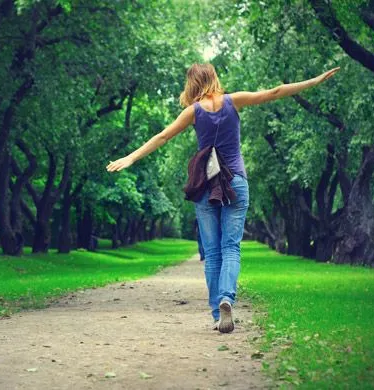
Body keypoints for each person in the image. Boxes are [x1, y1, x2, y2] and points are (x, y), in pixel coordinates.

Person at [106, 63, 340, 333]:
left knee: (213, 252)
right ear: (214, 78)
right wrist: (313, 80)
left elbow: (162, 136)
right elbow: (274, 92)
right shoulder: (233, 101)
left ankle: (218, 313)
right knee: (232, 248)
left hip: (206, 185)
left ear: (192, 83)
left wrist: (131, 157)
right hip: (236, 182)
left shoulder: (192, 112)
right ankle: (227, 298)